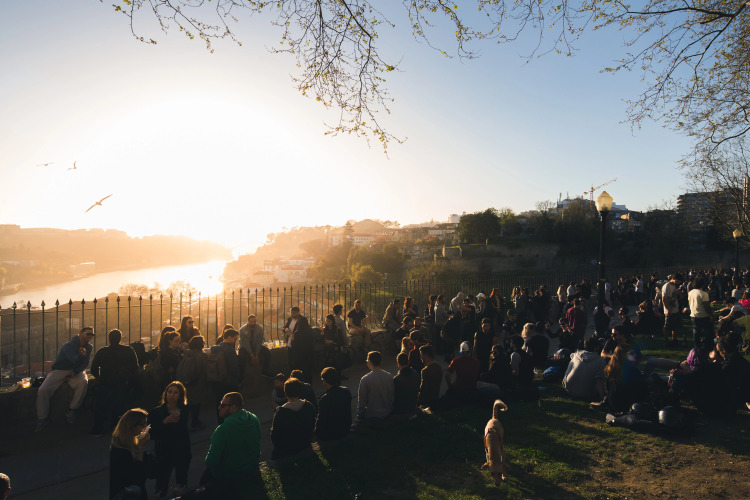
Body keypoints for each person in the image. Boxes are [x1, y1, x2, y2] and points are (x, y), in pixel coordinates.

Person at [35, 326, 95, 431]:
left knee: (83, 382)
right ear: (80, 333)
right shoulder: (68, 345)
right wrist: (80, 354)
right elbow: (73, 359)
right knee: (43, 389)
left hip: (75, 370)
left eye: (92, 335)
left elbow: (85, 363)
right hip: (60, 369)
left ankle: (73, 409)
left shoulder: (89, 347)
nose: (90, 336)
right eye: (88, 334)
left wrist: (75, 371)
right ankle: (43, 417)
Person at [202, 392, 261, 497]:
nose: (219, 407)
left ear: (233, 407)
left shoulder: (222, 430)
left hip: (232, 474)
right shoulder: (254, 419)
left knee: (203, 481)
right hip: (252, 466)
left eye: (222, 405)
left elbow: (211, 461)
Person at [90, 328, 139, 437]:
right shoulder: (128, 350)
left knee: (101, 408)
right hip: (121, 383)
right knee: (119, 408)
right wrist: (131, 382)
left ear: (109, 339)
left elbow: (93, 369)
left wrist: (99, 378)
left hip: (105, 384)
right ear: (120, 339)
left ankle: (97, 429)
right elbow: (135, 368)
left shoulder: (102, 351)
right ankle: (116, 429)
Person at [148, 381, 192, 498]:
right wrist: (165, 421)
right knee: (162, 477)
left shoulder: (184, 410)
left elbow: (183, 431)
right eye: (169, 391)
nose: (172, 395)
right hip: (163, 449)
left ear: (180, 395)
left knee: (181, 477)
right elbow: (151, 433)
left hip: (181, 448)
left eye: (175, 392)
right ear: (165, 393)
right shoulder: (156, 412)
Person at [270, 377, 317, 459]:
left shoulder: (280, 413)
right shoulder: (309, 406)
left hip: (288, 449)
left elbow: (274, 437)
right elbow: (313, 425)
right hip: (305, 443)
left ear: (285, 392)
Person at [109, 408, 150, 500]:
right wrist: (141, 448)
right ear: (130, 427)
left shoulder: (131, 444)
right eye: (141, 425)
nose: (145, 428)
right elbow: (137, 479)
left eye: (146, 424)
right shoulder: (121, 451)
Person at [355, 351, 393, 427]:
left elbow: (362, 401)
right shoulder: (389, 376)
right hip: (387, 413)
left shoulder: (365, 379)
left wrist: (359, 416)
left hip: (372, 416)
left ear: (370, 362)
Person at [209, 329, 241, 422]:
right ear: (229, 337)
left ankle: (221, 422)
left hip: (217, 381)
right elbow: (234, 368)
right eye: (235, 338)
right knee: (232, 405)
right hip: (229, 382)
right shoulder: (230, 350)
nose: (235, 341)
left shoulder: (216, 348)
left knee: (220, 404)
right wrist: (238, 380)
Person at [316, 367, 352, 441]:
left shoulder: (324, 399)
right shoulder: (346, 391)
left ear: (324, 380)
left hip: (331, 434)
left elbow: (321, 421)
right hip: (345, 428)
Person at [688, 276, 713, 350]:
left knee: (696, 332)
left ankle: (697, 346)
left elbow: (689, 302)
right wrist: (710, 315)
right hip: (703, 315)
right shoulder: (704, 294)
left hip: (694, 314)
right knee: (708, 332)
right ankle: (707, 345)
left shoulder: (690, 292)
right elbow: (706, 306)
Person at [393, 352, 419, 417]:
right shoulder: (415, 374)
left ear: (398, 363)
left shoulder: (396, 379)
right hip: (413, 406)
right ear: (408, 362)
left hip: (401, 410)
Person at [662, 273, 684, 346]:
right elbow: (664, 299)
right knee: (667, 326)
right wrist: (668, 309)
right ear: (673, 279)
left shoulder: (674, 286)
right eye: (677, 281)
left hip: (675, 308)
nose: (678, 283)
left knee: (676, 326)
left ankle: (674, 339)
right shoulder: (666, 286)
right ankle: (665, 341)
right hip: (669, 310)